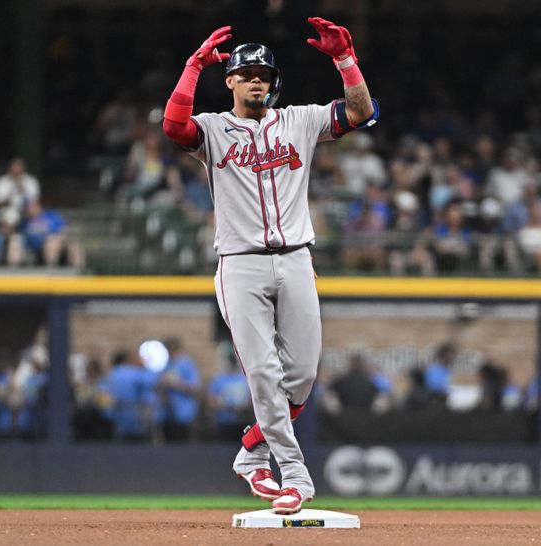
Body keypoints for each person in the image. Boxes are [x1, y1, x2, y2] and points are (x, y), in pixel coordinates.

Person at [162, 17, 378, 514]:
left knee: (300, 377)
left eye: (264, 73)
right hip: (241, 264)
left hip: (297, 258)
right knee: (262, 373)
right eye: (247, 72)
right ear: (231, 80)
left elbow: (362, 114)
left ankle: (249, 453)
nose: (257, 78)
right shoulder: (215, 129)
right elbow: (175, 127)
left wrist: (346, 60)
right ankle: (295, 476)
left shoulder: (299, 120)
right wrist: (194, 66)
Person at [156, 337, 201, 442]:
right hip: (167, 413)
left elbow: (195, 387)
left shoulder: (186, 364)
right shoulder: (165, 364)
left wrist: (175, 384)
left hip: (184, 414)